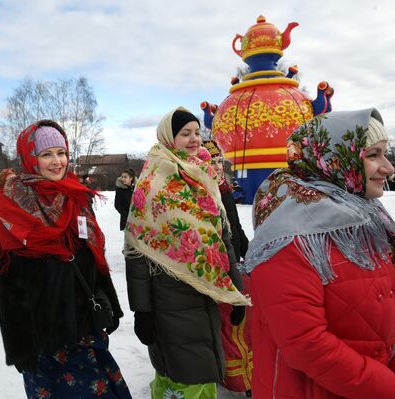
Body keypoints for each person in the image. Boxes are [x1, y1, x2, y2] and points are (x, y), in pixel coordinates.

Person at [243, 109, 395, 398]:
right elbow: (304, 342)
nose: (388, 168)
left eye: (384, 154)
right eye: (373, 155)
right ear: (335, 158)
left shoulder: (367, 218)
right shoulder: (290, 233)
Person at [0, 120, 131, 398]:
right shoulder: (11, 206)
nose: (57, 162)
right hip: (44, 340)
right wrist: (20, 347)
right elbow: (7, 283)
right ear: (30, 158)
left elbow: (93, 256)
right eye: (46, 155)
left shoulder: (76, 196)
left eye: (61, 152)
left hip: (86, 330)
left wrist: (110, 304)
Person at [124, 107, 250, 399]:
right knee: (184, 375)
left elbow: (221, 237)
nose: (194, 139)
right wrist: (142, 310)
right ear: (169, 136)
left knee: (202, 370)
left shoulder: (204, 174)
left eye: (197, 132)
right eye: (185, 134)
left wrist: (237, 292)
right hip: (169, 295)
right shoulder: (153, 180)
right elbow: (138, 250)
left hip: (205, 295)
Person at [202, 141, 252, 397]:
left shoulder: (224, 189)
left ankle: (245, 375)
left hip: (237, 262)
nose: (217, 166)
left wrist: (246, 248)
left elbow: (235, 224)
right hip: (217, 267)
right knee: (227, 324)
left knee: (242, 322)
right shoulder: (202, 190)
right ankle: (230, 379)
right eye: (211, 161)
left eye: (219, 160)